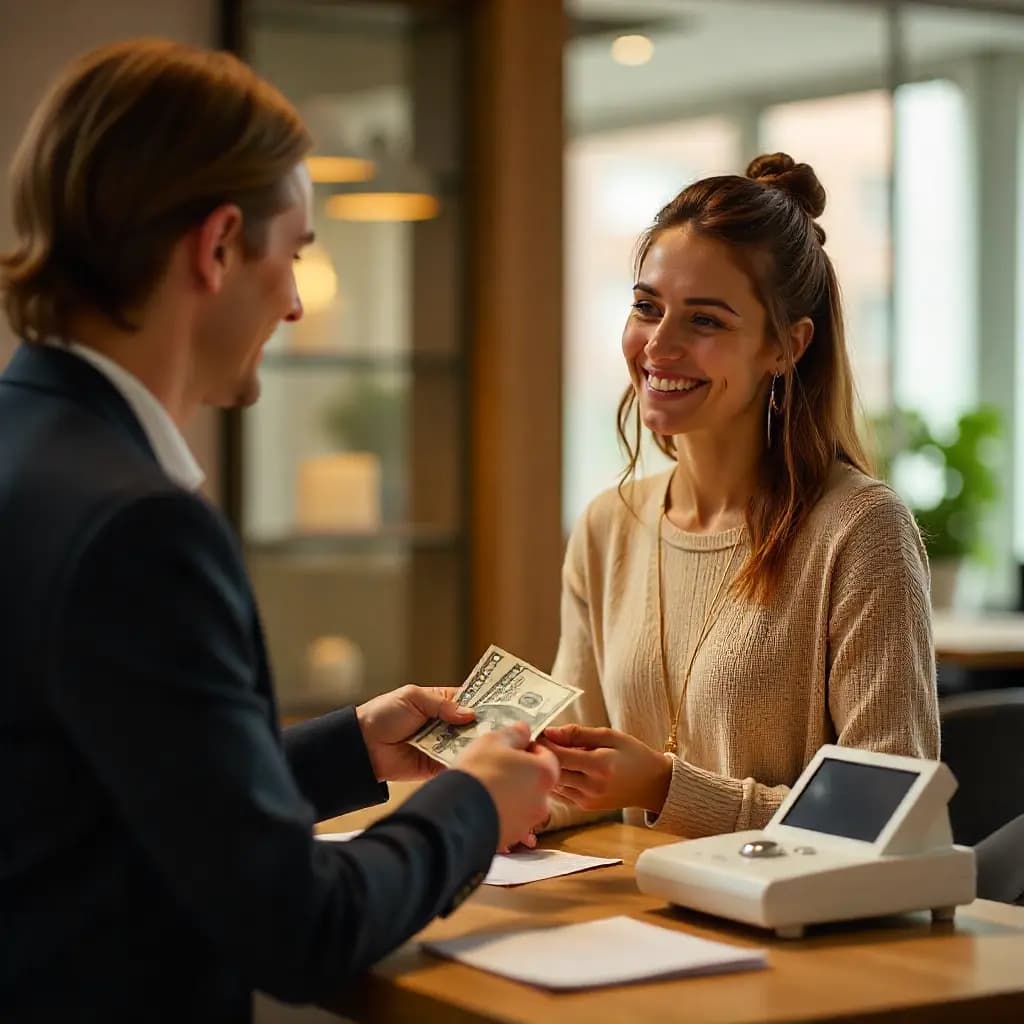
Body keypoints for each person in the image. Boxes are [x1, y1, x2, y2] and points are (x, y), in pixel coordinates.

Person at [0, 38, 558, 1023]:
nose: (298, 303)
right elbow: (297, 926)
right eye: (293, 252)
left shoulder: (26, 449)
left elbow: (108, 797)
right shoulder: (141, 529)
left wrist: (348, 747)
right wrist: (474, 804)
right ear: (217, 247)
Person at [540, 154, 939, 838]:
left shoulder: (860, 529)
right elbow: (575, 772)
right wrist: (500, 800)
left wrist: (669, 788)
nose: (658, 345)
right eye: (647, 308)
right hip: (637, 911)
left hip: (800, 933)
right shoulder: (609, 524)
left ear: (785, 346)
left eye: (705, 322)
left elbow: (884, 819)